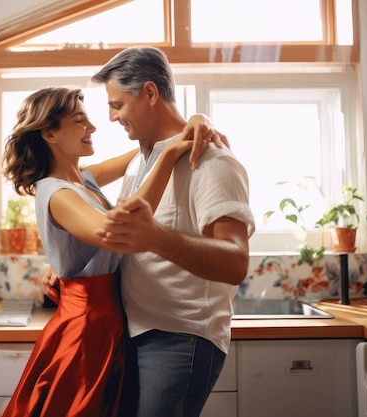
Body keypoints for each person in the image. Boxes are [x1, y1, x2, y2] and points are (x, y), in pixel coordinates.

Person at [0, 86, 223, 417]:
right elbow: (115, 234)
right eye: (80, 121)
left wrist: (197, 120)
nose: (92, 128)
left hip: (107, 319)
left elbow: (149, 148)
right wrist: (168, 156)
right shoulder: (55, 192)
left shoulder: (82, 180)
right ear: (49, 133)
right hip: (87, 326)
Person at [87, 46, 256, 417]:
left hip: (182, 337)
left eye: (118, 105)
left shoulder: (212, 162)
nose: (113, 117)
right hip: (138, 333)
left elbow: (235, 262)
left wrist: (156, 238)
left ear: (149, 93)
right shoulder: (139, 161)